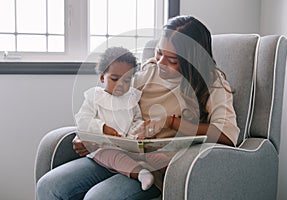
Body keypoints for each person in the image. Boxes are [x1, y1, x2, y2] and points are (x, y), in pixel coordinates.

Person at [36, 15, 240, 200]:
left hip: (156, 167)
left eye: (172, 60)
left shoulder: (213, 83)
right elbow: (110, 101)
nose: (160, 63)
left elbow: (227, 134)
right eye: (159, 53)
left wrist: (171, 122)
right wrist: (89, 135)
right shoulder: (148, 71)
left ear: (193, 61)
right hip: (116, 153)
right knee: (49, 186)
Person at [74, 46, 170, 191]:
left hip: (127, 143)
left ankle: (170, 170)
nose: (121, 84)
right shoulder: (94, 97)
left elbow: (136, 119)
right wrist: (103, 128)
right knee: (114, 156)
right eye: (114, 79)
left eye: (126, 80)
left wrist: (139, 132)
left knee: (152, 155)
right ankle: (140, 173)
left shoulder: (131, 97)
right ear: (102, 77)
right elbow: (83, 120)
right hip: (102, 147)